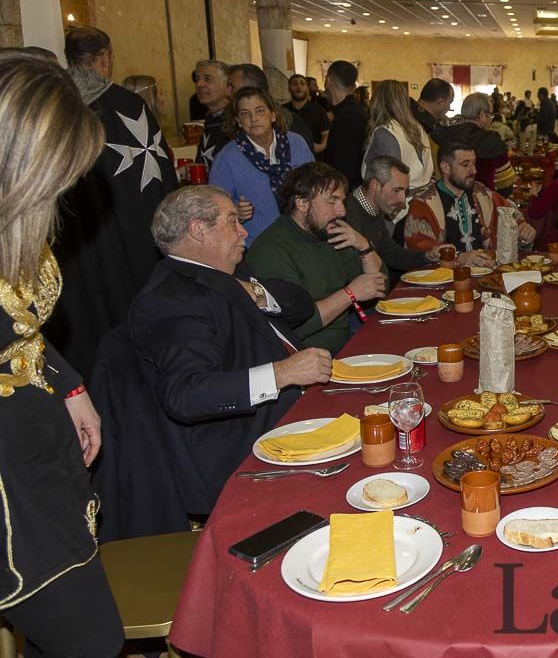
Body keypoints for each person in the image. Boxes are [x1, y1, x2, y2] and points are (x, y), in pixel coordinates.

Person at [0, 52, 124, 657]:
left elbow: (26, 331)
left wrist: (71, 387)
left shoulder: (16, 226)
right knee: (92, 639)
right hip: (10, 485)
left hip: (39, 446)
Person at [128, 186, 331, 516]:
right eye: (232, 221)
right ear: (198, 229)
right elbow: (186, 394)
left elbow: (301, 304)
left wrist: (254, 293)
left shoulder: (227, 274)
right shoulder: (170, 299)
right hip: (247, 450)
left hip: (294, 416)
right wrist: (283, 374)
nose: (244, 231)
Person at [46, 26, 178, 381]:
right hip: (131, 243)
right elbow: (159, 179)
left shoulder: (51, 107)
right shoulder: (130, 107)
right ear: (105, 58)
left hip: (72, 245)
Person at [244, 163, 387, 353]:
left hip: (347, 343)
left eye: (342, 201)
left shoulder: (329, 232)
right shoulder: (272, 250)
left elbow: (380, 285)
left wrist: (364, 246)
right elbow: (293, 325)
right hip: (307, 360)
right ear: (302, 203)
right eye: (332, 201)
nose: (342, 211)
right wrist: (350, 294)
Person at [209, 86, 315, 245]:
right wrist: (234, 212)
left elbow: (315, 187)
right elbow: (213, 211)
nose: (253, 118)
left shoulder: (297, 143)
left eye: (260, 111)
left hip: (303, 238)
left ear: (273, 115)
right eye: (245, 114)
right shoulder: (226, 158)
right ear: (238, 121)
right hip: (257, 246)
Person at [404, 144, 535, 265]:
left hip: (487, 275)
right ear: (446, 167)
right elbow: (420, 247)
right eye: (465, 165)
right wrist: (458, 257)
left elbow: (512, 218)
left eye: (474, 163)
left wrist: (524, 232)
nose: (473, 170)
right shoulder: (424, 203)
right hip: (445, 280)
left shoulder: (483, 194)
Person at [345, 155, 445, 279]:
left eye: (405, 192)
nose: (403, 200)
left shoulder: (373, 209)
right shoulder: (347, 215)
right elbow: (355, 274)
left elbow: (392, 254)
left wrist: (427, 256)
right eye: (397, 191)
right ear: (375, 185)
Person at [435, 92, 515, 195]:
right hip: (483, 202)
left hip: (448, 199)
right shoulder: (492, 140)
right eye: (490, 115)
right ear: (482, 115)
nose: (491, 120)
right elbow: (506, 186)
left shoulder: (444, 134)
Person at [363, 79, 433, 194]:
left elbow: (391, 182)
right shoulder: (417, 127)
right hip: (422, 200)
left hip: (397, 205)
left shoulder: (385, 133)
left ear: (376, 102)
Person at [322, 60, 368, 188]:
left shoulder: (347, 116)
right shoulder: (354, 111)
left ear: (328, 80)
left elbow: (345, 165)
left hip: (346, 191)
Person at [194, 59, 231, 169]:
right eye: (197, 79)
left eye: (207, 79)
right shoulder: (211, 119)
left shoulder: (236, 121)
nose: (199, 84)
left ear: (227, 87)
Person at [284, 73, 329, 155]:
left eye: (302, 83)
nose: (298, 86)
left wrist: (321, 146)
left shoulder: (318, 110)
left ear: (307, 88)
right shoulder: (282, 111)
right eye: (294, 84)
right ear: (289, 88)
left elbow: (326, 133)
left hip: (313, 157)